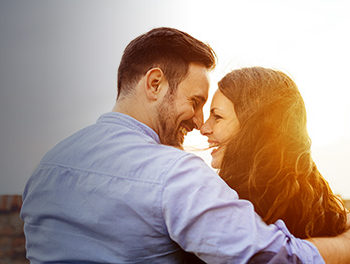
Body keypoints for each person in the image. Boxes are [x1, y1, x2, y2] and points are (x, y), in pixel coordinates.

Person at [20, 27, 349, 263]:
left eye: (212, 113)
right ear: (155, 84)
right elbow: (270, 257)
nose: (197, 121)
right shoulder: (173, 173)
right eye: (195, 101)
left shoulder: (47, 167)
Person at [200, 67, 347, 239]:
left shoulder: (231, 208)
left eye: (217, 117)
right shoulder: (320, 209)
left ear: (255, 127)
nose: (204, 128)